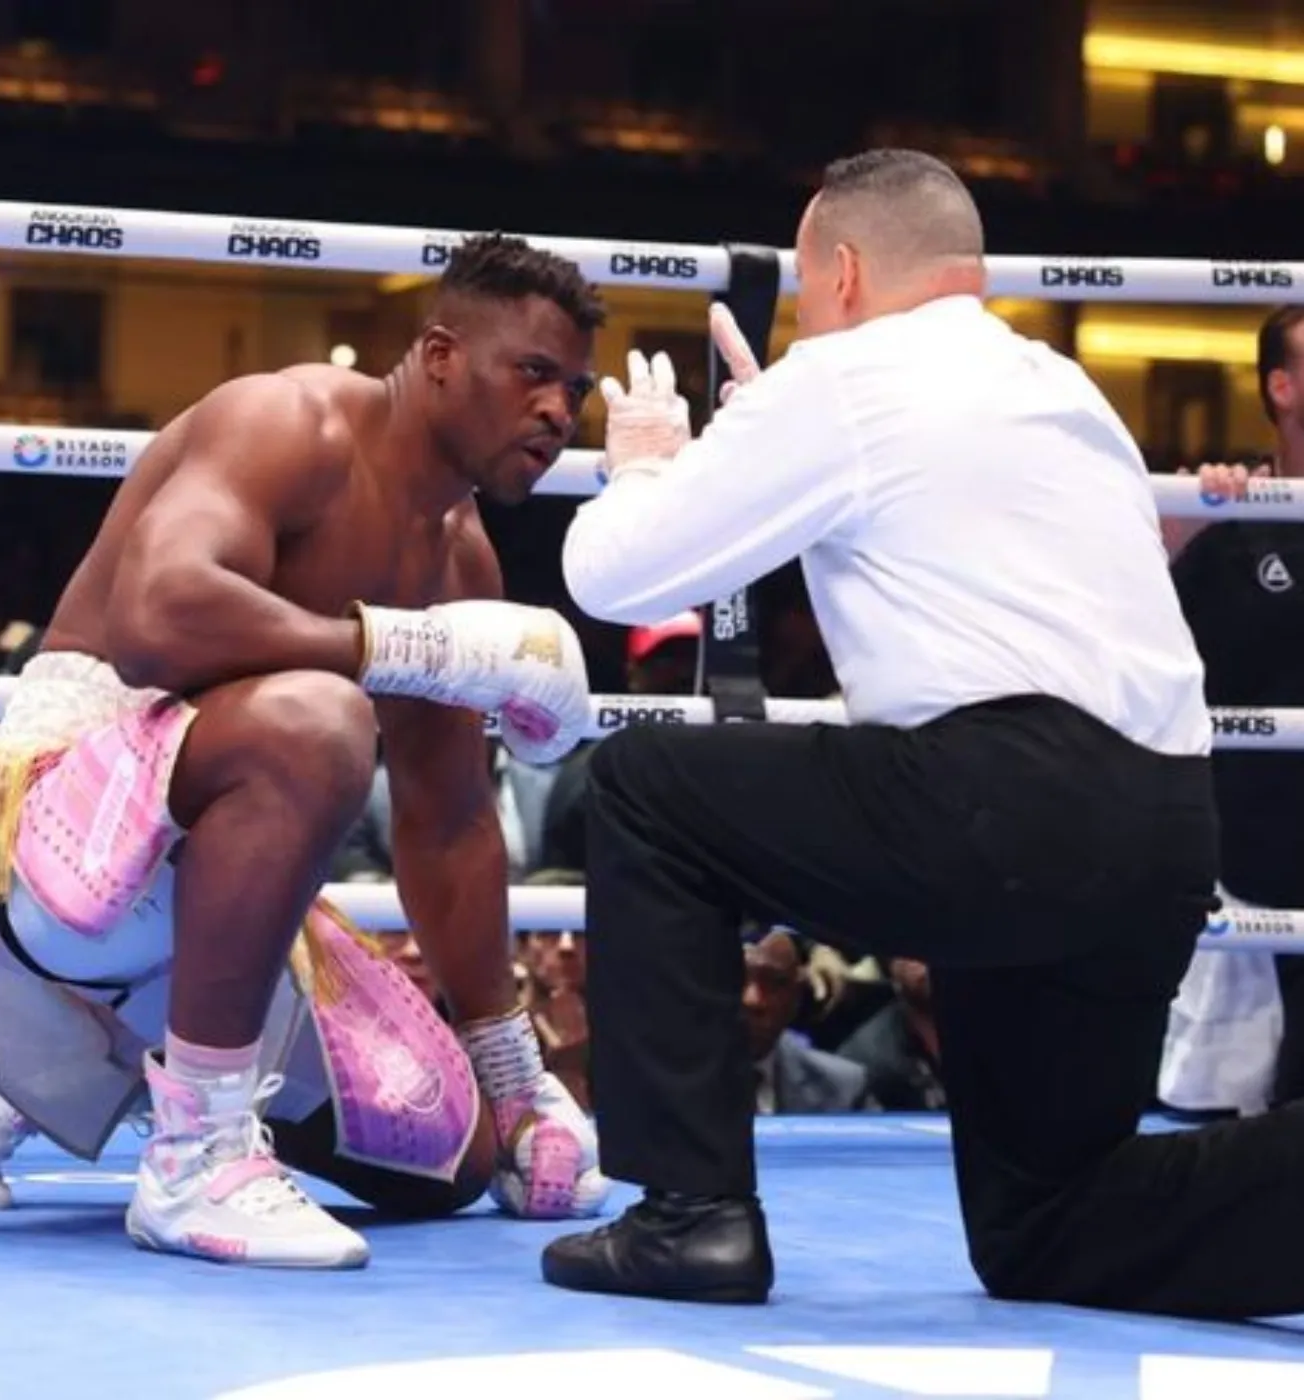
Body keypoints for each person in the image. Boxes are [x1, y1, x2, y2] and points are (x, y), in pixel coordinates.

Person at [536, 148, 1289, 1322]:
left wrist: (649, 465)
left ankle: (692, 1212)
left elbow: (612, 576)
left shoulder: (837, 381)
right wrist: (758, 450)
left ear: (838, 269)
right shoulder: (1061, 387)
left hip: (1001, 801)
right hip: (1160, 827)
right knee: (1049, 1223)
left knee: (641, 783)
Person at [0, 232, 609, 1270]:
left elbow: (448, 818)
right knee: (320, 716)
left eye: (575, 386)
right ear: (437, 356)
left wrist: (509, 1074)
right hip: (58, 842)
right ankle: (191, 1155)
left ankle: (77, 1056)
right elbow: (158, 617)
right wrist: (400, 643)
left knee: (451, 1158)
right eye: (532, 373)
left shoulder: (460, 556)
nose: (559, 410)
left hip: (207, 900)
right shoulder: (286, 422)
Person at [1156, 310, 1304, 1118]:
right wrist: (1175, 536)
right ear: (1282, 388)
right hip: (1248, 872)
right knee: (1221, 1132)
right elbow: (1125, 647)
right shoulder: (1229, 524)